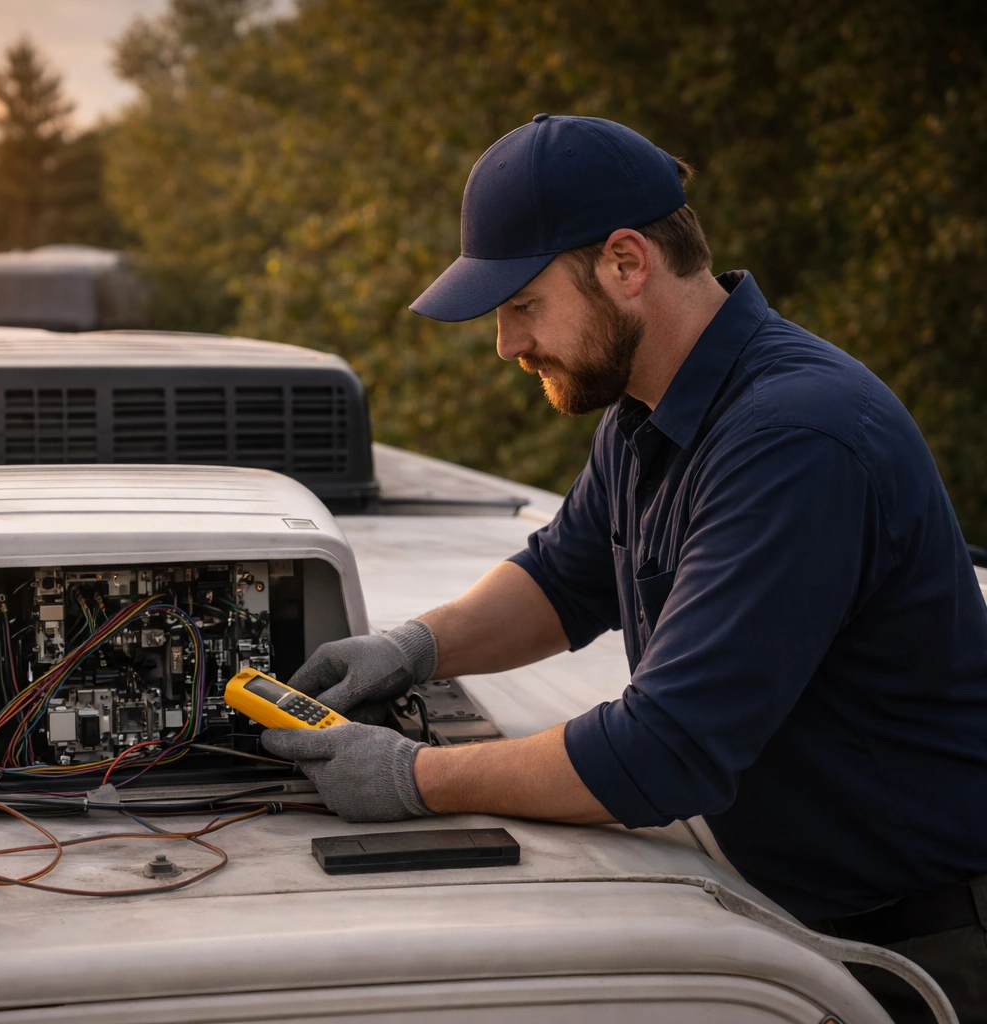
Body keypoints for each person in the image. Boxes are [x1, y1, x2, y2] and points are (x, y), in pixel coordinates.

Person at [260, 114, 987, 1023]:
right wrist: (413, 649)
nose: (506, 344)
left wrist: (410, 778)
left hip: (922, 953)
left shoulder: (795, 438)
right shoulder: (653, 410)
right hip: (808, 913)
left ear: (627, 264)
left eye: (522, 304)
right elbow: (565, 579)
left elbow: (665, 752)